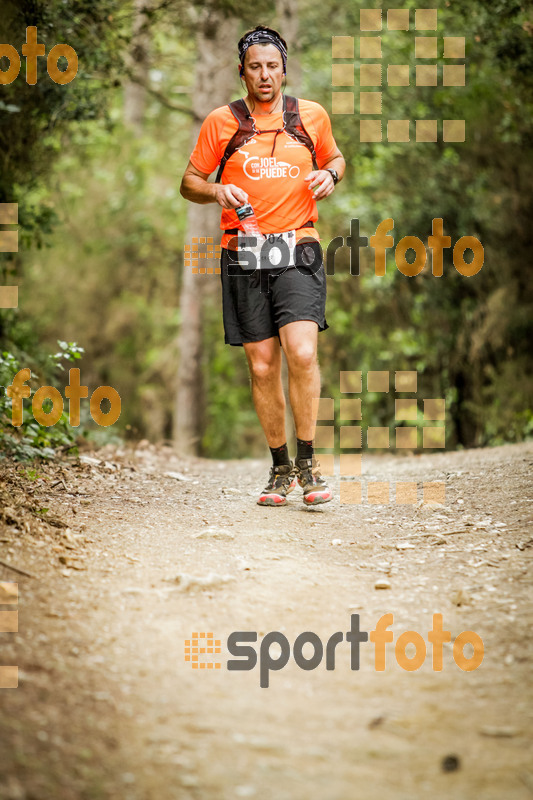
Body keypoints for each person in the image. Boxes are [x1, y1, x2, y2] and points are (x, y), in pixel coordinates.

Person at [180, 24, 345, 507]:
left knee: (303, 352)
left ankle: (309, 465)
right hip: (243, 252)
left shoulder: (310, 117)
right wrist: (215, 190)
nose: (265, 75)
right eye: (255, 66)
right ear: (242, 72)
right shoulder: (222, 122)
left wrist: (330, 174)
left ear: (284, 70)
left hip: (299, 244)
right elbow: (189, 181)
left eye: (273, 66)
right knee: (261, 363)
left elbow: (336, 157)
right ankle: (280, 469)